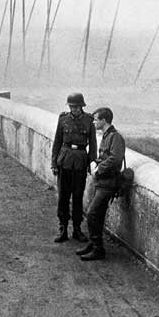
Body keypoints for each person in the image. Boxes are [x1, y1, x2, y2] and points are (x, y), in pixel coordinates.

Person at [77, 107, 125, 261]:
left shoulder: (115, 137)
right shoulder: (106, 135)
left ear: (104, 120)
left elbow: (115, 159)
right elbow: (105, 156)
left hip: (108, 183)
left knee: (92, 214)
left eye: (96, 119)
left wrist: (99, 169)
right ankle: (93, 244)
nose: (94, 122)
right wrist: (95, 162)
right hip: (102, 182)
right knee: (97, 215)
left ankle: (98, 249)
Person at [51, 93, 97, 243]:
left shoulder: (89, 121)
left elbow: (93, 145)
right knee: (63, 196)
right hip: (64, 161)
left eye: (76, 107)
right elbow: (57, 142)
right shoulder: (63, 119)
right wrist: (54, 163)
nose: (73, 109)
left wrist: (92, 165)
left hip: (80, 162)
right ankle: (63, 228)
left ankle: (77, 228)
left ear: (82, 106)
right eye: (71, 107)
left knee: (78, 196)